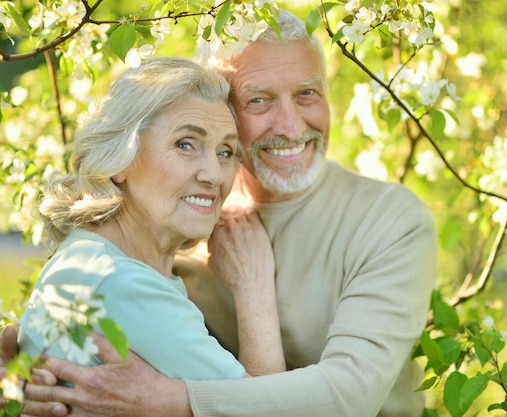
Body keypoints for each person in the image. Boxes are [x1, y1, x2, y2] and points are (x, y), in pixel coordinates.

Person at [1, 9, 438, 417]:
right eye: (259, 100)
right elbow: (114, 300)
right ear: (222, 109)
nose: (290, 125)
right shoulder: (185, 219)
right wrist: (31, 353)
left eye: (307, 94)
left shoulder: (389, 220)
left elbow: (352, 394)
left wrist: (173, 400)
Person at [14, 57, 285, 389]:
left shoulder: (91, 257)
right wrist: (254, 288)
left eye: (226, 151)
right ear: (119, 160)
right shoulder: (120, 282)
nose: (214, 175)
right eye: (186, 144)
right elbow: (266, 406)